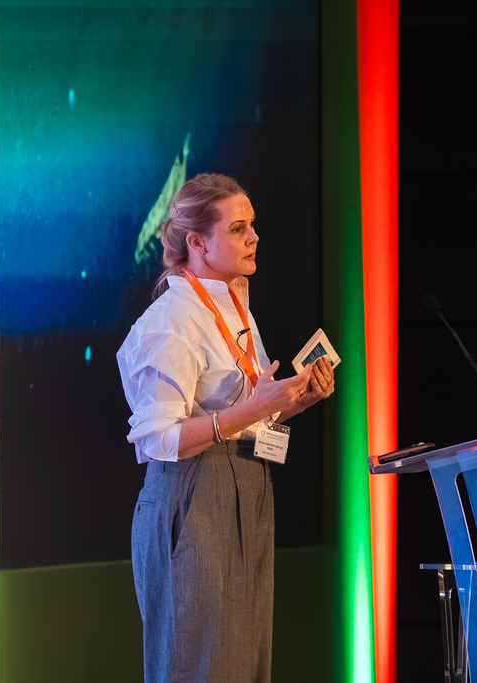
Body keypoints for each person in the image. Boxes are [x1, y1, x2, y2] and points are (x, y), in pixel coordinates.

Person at [116, 173, 335, 682]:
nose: (254, 236)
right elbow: (159, 439)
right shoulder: (170, 321)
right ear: (197, 243)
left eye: (252, 224)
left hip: (247, 482)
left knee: (243, 662)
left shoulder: (235, 306)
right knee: (198, 663)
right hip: (194, 491)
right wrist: (254, 410)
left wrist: (297, 399)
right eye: (238, 228)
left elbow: (249, 416)